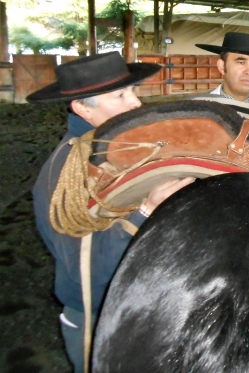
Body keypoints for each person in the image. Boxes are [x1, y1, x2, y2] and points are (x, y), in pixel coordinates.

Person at [27, 52, 194, 373]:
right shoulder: (64, 176)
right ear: (82, 109)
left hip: (145, 304)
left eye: (134, 91)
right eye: (120, 96)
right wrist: (146, 210)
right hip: (100, 316)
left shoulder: (122, 148)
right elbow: (86, 271)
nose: (136, 104)